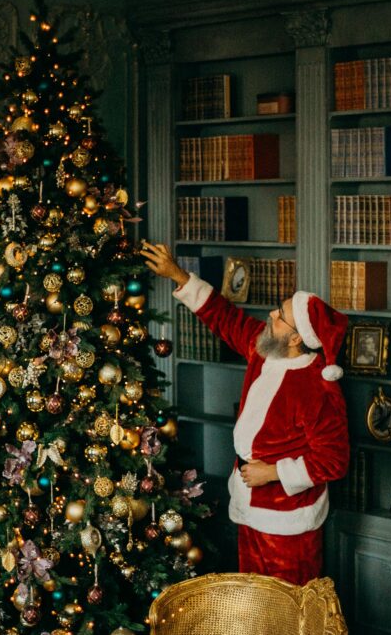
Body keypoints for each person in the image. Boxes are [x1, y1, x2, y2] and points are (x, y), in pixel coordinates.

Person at [139, 242, 349, 585]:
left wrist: (273, 473)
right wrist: (177, 274)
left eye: (280, 317)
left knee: (285, 609)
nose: (270, 316)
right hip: (249, 507)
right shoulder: (263, 347)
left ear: (297, 338)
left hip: (287, 521)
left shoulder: (318, 388)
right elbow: (224, 317)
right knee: (252, 604)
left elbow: (334, 460)